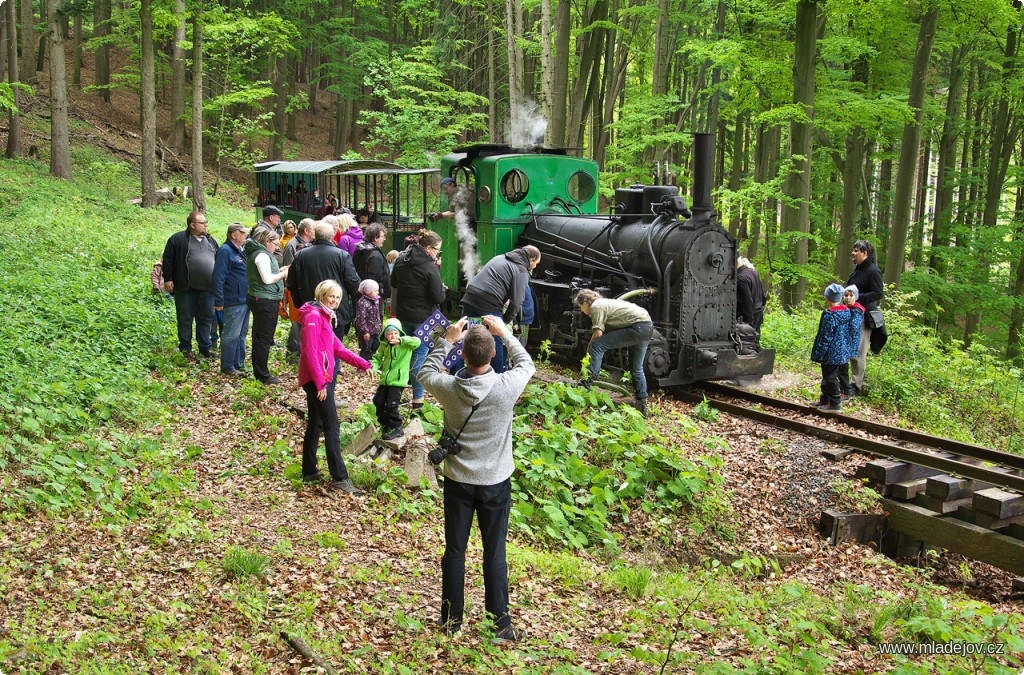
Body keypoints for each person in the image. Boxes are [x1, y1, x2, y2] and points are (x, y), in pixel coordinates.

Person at [418, 315, 535, 642]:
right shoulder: (506, 386)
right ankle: (500, 626)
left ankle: (450, 623)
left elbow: (424, 373)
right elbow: (526, 363)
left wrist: (447, 339)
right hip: (496, 482)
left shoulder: (450, 388)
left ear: (463, 356)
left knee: (455, 550)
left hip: (458, 480)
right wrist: (504, 333)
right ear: (493, 353)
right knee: (494, 552)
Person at [298, 280, 372, 495]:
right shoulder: (313, 316)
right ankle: (340, 478)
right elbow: (310, 352)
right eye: (331, 296)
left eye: (338, 297)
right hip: (316, 379)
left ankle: (309, 470)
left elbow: (337, 348)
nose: (335, 300)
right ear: (322, 295)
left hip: (323, 377)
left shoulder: (325, 316)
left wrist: (363, 364)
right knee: (332, 425)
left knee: (316, 422)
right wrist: (320, 382)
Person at [460, 246, 541, 373]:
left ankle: (456, 374)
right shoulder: (522, 270)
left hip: (470, 297)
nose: (535, 266)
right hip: (489, 303)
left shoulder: (500, 257)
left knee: (467, 335)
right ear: (531, 259)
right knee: (495, 340)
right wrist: (505, 321)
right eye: (536, 263)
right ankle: (498, 378)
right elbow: (517, 300)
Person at [574, 289, 654, 417]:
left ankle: (588, 381)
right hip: (647, 327)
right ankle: (642, 403)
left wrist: (590, 348)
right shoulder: (605, 303)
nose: (582, 311)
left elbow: (598, 334)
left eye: (580, 307)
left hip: (637, 327)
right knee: (636, 368)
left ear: (584, 303)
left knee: (597, 345)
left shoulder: (596, 306)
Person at [390, 230, 446, 410]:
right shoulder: (430, 266)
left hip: (403, 314)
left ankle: (394, 396)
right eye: (438, 250)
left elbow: (394, 283)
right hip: (425, 318)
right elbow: (438, 297)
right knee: (419, 357)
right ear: (428, 248)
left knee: (403, 355)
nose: (438, 253)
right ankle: (418, 400)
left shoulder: (401, 258)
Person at [288, 221, 361, 341]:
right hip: (336, 310)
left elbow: (292, 284)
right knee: (334, 350)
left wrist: (300, 303)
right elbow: (354, 283)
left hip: (311, 309)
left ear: (316, 235)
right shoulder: (341, 255)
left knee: (313, 349)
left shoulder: (301, 255)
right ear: (332, 236)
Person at [162, 211, 219, 358]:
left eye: (206, 222)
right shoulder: (178, 239)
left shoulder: (211, 240)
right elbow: (167, 260)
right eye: (203, 223)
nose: (206, 225)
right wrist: (168, 279)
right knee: (185, 318)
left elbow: (218, 260)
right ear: (192, 225)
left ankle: (204, 347)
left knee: (206, 318)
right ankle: (185, 348)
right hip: (185, 288)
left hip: (207, 289)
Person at [244, 227, 289, 384]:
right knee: (263, 338)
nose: (277, 247)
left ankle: (260, 371)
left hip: (261, 298)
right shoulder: (262, 255)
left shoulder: (259, 253)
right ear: (266, 241)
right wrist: (284, 274)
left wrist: (280, 269)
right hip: (265, 300)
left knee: (259, 336)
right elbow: (267, 279)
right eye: (275, 244)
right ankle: (263, 375)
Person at [372, 319, 422, 441]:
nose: (393, 336)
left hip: (398, 381)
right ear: (385, 335)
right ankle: (385, 424)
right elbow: (377, 358)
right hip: (385, 380)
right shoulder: (384, 345)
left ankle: (397, 427)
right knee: (378, 401)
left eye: (395, 333)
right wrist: (372, 369)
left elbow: (417, 342)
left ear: (399, 333)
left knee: (391, 404)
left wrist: (401, 340)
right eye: (390, 334)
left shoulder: (406, 345)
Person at [846, 239, 884, 396]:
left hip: (864, 316)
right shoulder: (857, 269)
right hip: (852, 314)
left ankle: (856, 385)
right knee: (849, 349)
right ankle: (847, 382)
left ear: (865, 253)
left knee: (859, 352)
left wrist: (857, 297)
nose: (853, 253)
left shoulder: (873, 271)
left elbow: (878, 293)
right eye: (853, 249)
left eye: (856, 250)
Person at [212, 223, 251, 376]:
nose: (245, 236)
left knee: (241, 333)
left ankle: (238, 363)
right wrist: (219, 301)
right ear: (234, 234)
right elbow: (218, 277)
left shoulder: (240, 250)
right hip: (233, 299)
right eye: (242, 233)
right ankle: (227, 366)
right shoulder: (225, 251)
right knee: (231, 334)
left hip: (244, 299)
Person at [810, 283, 855, 412]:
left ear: (827, 298)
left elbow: (826, 337)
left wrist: (819, 353)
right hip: (842, 351)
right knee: (828, 376)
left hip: (831, 352)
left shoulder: (830, 316)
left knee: (829, 378)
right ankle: (825, 400)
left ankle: (835, 403)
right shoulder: (846, 312)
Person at [283, 218, 316, 358]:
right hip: (296, 290)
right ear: (307, 231)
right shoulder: (292, 245)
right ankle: (294, 352)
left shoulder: (310, 244)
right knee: (297, 322)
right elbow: (288, 270)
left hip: (307, 289)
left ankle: (296, 350)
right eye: (313, 229)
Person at [353, 223, 391, 307]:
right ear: (375, 238)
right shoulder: (374, 255)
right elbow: (375, 277)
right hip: (373, 295)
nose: (384, 239)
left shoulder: (359, 250)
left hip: (361, 292)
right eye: (382, 236)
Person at [838, 285, 865, 401]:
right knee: (841, 365)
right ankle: (843, 387)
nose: (848, 298)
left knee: (847, 364)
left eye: (851, 295)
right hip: (844, 341)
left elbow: (854, 326)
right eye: (846, 295)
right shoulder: (845, 308)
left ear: (856, 297)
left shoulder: (857, 310)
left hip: (851, 342)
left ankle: (847, 390)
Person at [736, 256, 766, 334]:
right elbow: (763, 296)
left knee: (749, 343)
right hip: (759, 312)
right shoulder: (753, 271)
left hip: (750, 317)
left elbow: (747, 303)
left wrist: (749, 324)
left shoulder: (740, 279)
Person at [354, 279, 383, 361]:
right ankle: (363, 364)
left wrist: (379, 326)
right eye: (375, 291)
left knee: (376, 345)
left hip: (375, 329)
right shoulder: (363, 303)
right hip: (367, 331)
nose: (378, 292)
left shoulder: (376, 300)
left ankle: (372, 361)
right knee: (366, 348)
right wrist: (365, 332)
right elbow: (361, 319)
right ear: (368, 291)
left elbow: (377, 315)